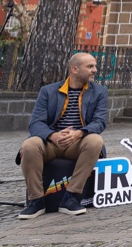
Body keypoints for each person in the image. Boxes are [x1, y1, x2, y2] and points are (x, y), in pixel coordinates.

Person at [17, 53, 107, 219]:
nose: (95, 70)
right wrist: (53, 135)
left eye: (94, 66)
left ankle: (71, 197)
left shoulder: (99, 91)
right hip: (51, 142)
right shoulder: (48, 91)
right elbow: (35, 123)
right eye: (90, 66)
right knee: (30, 145)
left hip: (78, 142)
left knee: (96, 140)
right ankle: (36, 201)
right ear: (74, 69)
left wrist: (79, 133)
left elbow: (100, 122)